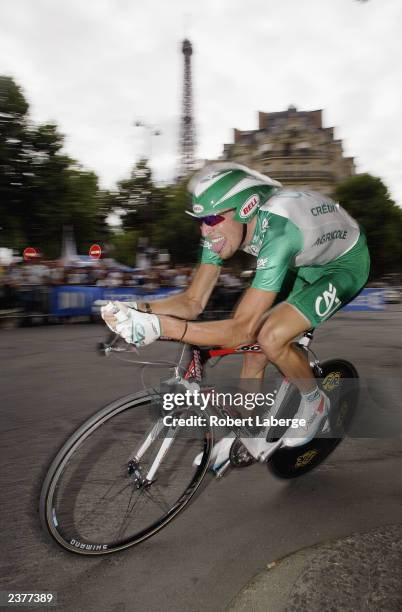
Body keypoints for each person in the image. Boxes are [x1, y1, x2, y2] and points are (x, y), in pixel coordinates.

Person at [101, 162, 370, 451]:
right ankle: (246, 433)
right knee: (254, 352)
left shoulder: (279, 232)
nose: (205, 231)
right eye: (200, 220)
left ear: (246, 208)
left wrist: (162, 326)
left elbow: (241, 329)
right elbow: (192, 302)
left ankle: (315, 403)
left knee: (269, 337)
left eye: (212, 219)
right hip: (301, 260)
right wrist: (140, 308)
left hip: (342, 267)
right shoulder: (221, 229)